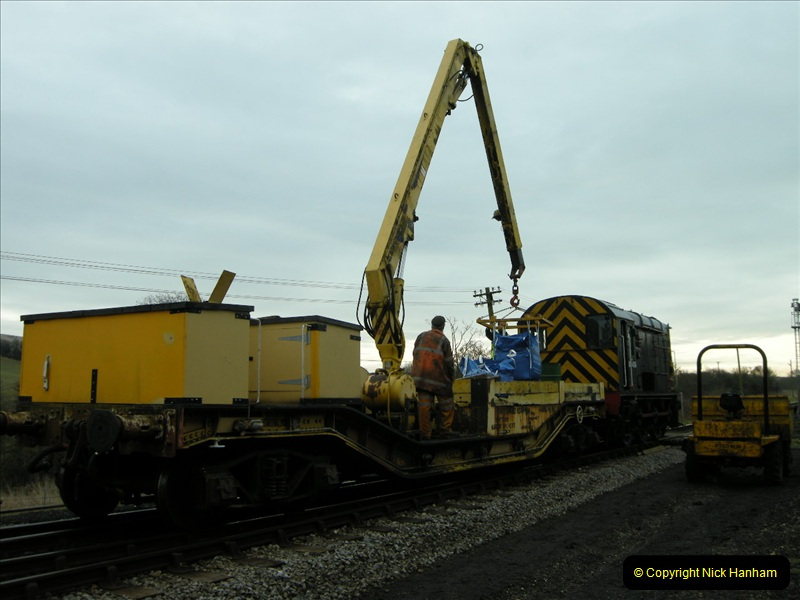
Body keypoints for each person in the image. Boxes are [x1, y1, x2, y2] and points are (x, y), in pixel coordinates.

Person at [411, 315, 455, 439]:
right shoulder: (443, 340)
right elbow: (449, 363)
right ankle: (445, 430)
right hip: (438, 380)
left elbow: (415, 354)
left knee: (424, 406)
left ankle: (425, 434)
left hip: (420, 379)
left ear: (432, 325)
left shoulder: (421, 336)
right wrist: (451, 379)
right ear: (443, 326)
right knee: (447, 402)